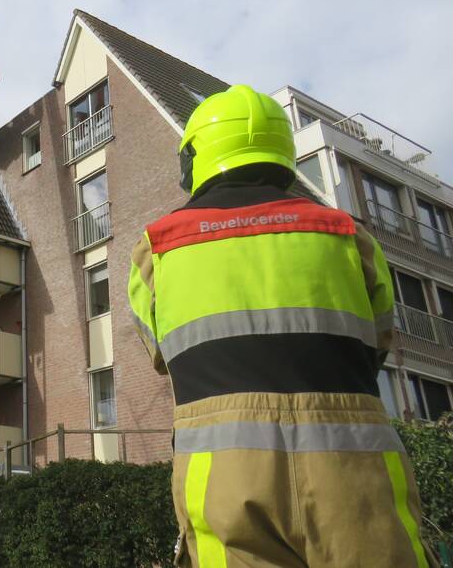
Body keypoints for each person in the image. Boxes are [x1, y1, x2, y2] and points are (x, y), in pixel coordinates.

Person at [128, 85, 436, 567]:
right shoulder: (349, 235)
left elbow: (161, 355)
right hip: (355, 469)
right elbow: (377, 344)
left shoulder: (158, 249)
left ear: (194, 157)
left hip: (223, 477)